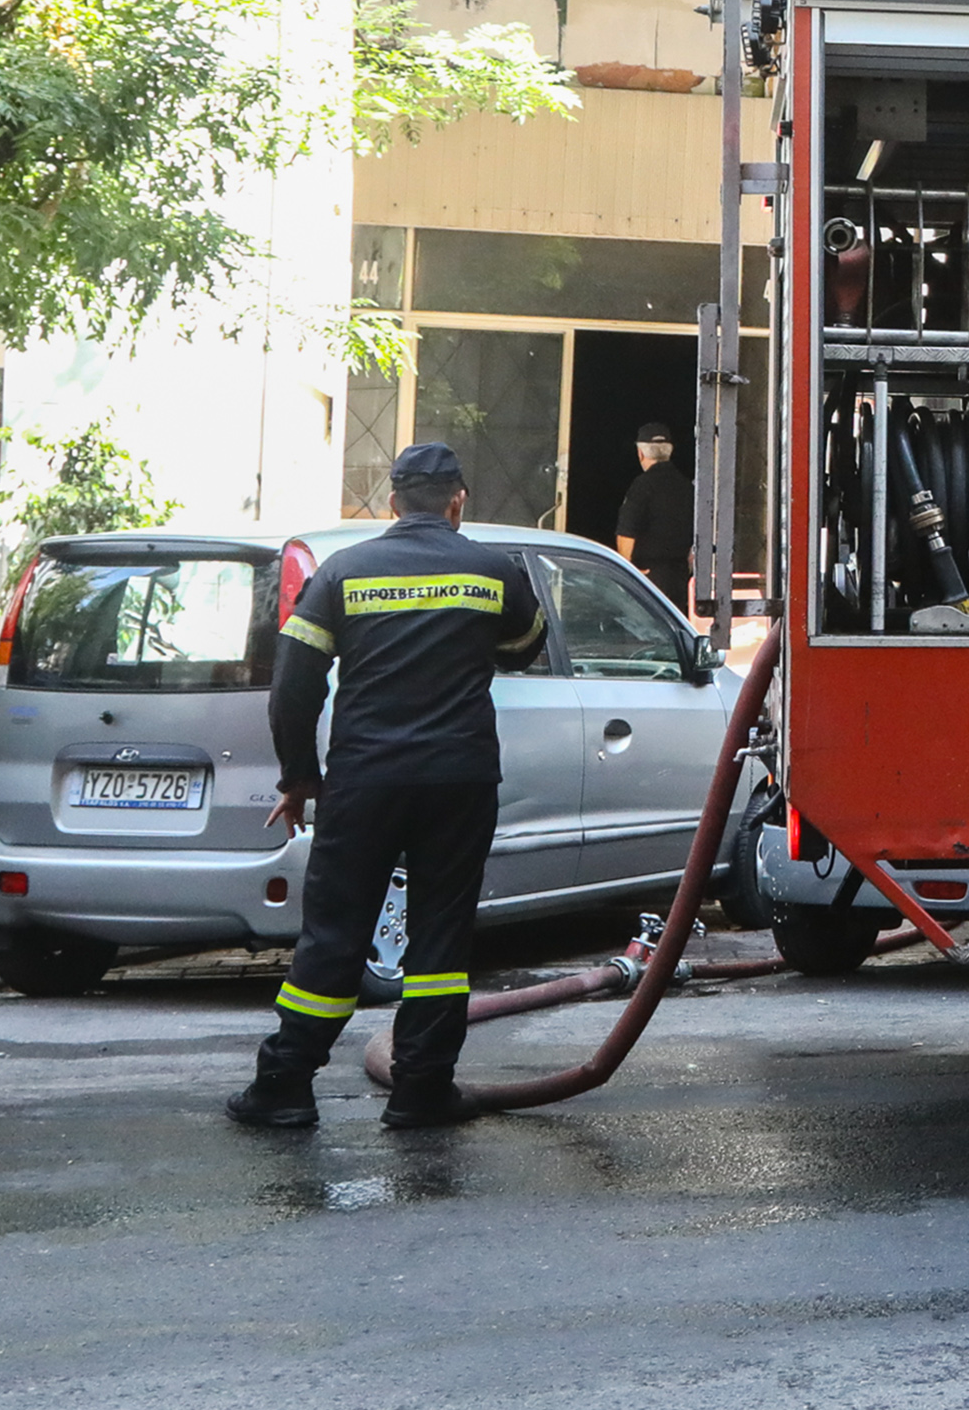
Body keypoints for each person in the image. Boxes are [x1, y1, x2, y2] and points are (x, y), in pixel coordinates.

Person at [227, 443, 547, 1133]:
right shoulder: (493, 571)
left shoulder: (343, 573)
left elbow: (293, 689)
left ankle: (284, 1082)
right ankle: (422, 1090)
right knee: (440, 937)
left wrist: (299, 778)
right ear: (458, 502)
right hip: (459, 781)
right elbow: (527, 646)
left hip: (364, 782)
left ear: (391, 504)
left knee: (335, 932)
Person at [614, 423, 694, 613]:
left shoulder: (642, 486)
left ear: (641, 453)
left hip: (649, 575)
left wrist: (627, 570)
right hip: (681, 576)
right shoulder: (686, 486)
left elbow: (626, 532)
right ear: (669, 451)